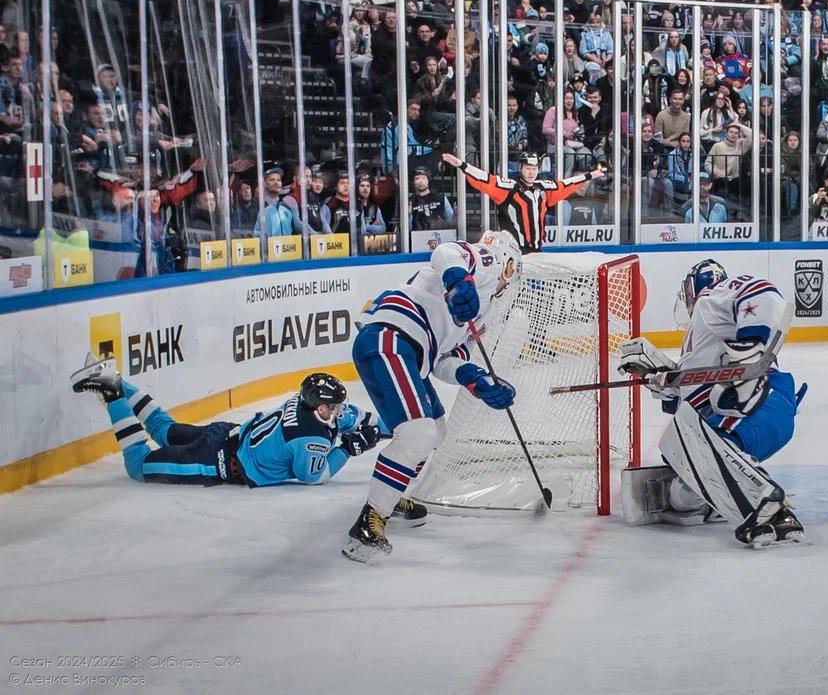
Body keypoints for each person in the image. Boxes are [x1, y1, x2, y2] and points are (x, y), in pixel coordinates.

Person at [343, 230, 522, 562]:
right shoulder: (488, 261)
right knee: (418, 432)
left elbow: (445, 362)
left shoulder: (487, 315)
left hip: (412, 350)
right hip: (392, 336)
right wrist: (458, 280)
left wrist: (477, 380)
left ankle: (390, 495)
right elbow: (446, 252)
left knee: (436, 431)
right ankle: (369, 523)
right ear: (510, 264)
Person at [617, 259, 808, 548]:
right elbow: (689, 400)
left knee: (698, 448)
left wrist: (750, 350)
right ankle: (733, 498)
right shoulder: (703, 337)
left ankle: (767, 504)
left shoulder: (713, 296)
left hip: (758, 404)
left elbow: (763, 293)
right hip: (739, 420)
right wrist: (659, 379)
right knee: (681, 496)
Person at [70, 361, 406, 500]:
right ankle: (113, 390)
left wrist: (395, 428)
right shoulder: (309, 441)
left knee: (163, 429)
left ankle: (112, 377)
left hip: (225, 433)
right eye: (332, 407)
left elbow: (353, 419)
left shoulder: (307, 405)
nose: (338, 411)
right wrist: (347, 449)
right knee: (139, 465)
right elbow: (314, 476)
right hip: (212, 459)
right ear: (318, 406)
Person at [442, 152, 604, 253]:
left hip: (537, 251)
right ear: (520, 168)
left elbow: (566, 184)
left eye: (534, 168)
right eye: (528, 168)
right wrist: (462, 165)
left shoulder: (544, 189)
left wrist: (589, 176)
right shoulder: (509, 188)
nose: (531, 172)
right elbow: (484, 179)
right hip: (512, 251)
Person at [408, 166, 455, 231]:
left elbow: (450, 218)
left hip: (439, 234)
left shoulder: (441, 198)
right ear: (413, 182)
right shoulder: (411, 201)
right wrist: (409, 214)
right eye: (417, 178)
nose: (420, 181)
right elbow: (407, 227)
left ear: (428, 180)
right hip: (417, 236)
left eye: (423, 178)